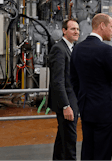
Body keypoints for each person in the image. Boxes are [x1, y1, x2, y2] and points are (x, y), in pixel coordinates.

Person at [70, 13, 112, 161]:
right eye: (111, 27)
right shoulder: (105, 50)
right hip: (104, 112)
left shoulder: (77, 49)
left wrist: (83, 99)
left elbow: (73, 79)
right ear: (102, 25)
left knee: (88, 150)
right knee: (103, 153)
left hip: (86, 109)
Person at [47, 19, 80, 161]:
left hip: (73, 100)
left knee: (63, 139)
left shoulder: (72, 48)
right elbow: (58, 81)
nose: (76, 32)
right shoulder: (59, 49)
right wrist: (66, 106)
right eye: (73, 29)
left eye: (77, 29)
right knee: (70, 140)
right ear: (64, 31)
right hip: (66, 103)